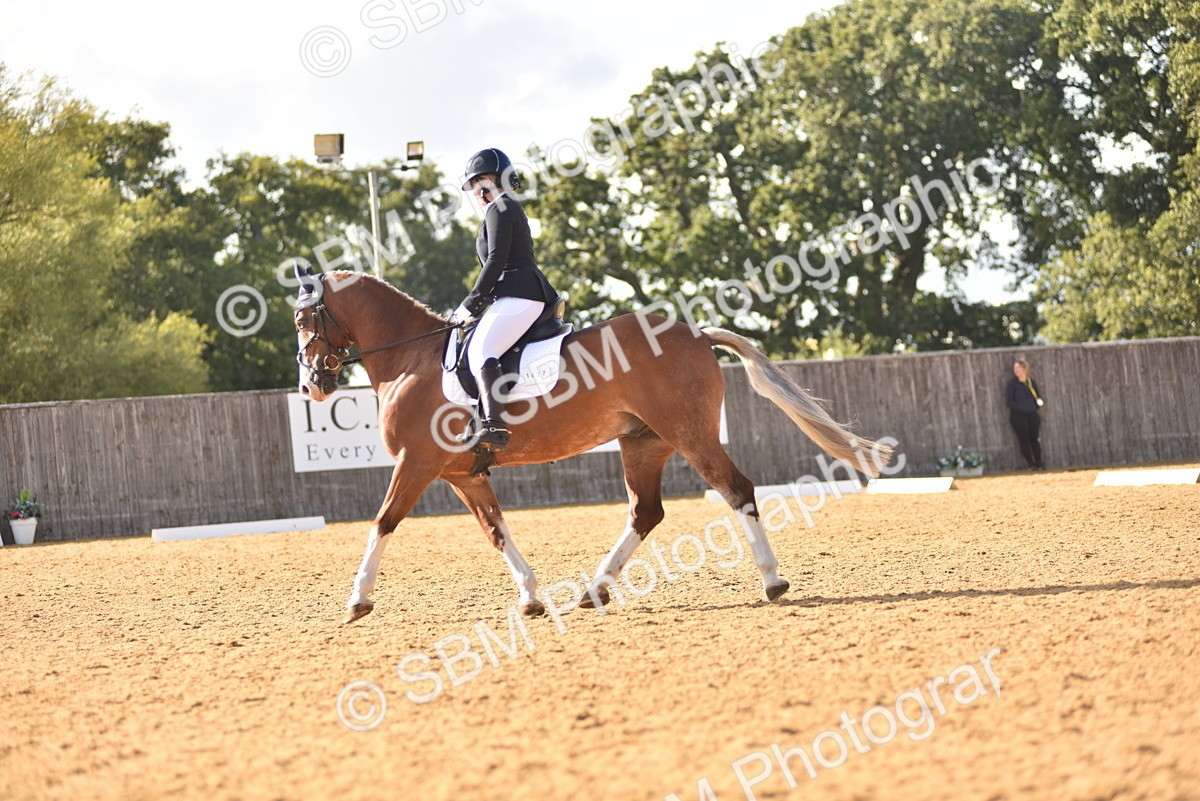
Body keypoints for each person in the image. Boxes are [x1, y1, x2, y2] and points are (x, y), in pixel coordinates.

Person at [451, 147, 558, 452]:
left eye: (478, 183)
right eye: (473, 186)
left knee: (483, 349)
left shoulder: (501, 207)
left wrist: (470, 304)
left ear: (494, 179)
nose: (475, 192)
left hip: (521, 293)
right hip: (514, 293)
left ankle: (495, 426)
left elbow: (496, 261)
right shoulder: (502, 208)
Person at [1005, 357, 1046, 470]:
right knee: (1024, 440)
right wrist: (1021, 408)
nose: (1016, 370)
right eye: (1015, 368)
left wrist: (1035, 406)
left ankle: (1039, 462)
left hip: (1032, 415)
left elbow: (1037, 396)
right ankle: (1030, 464)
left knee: (1035, 439)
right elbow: (1009, 402)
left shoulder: (1031, 382)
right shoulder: (1012, 384)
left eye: (1018, 368)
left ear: (1025, 369)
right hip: (1018, 416)